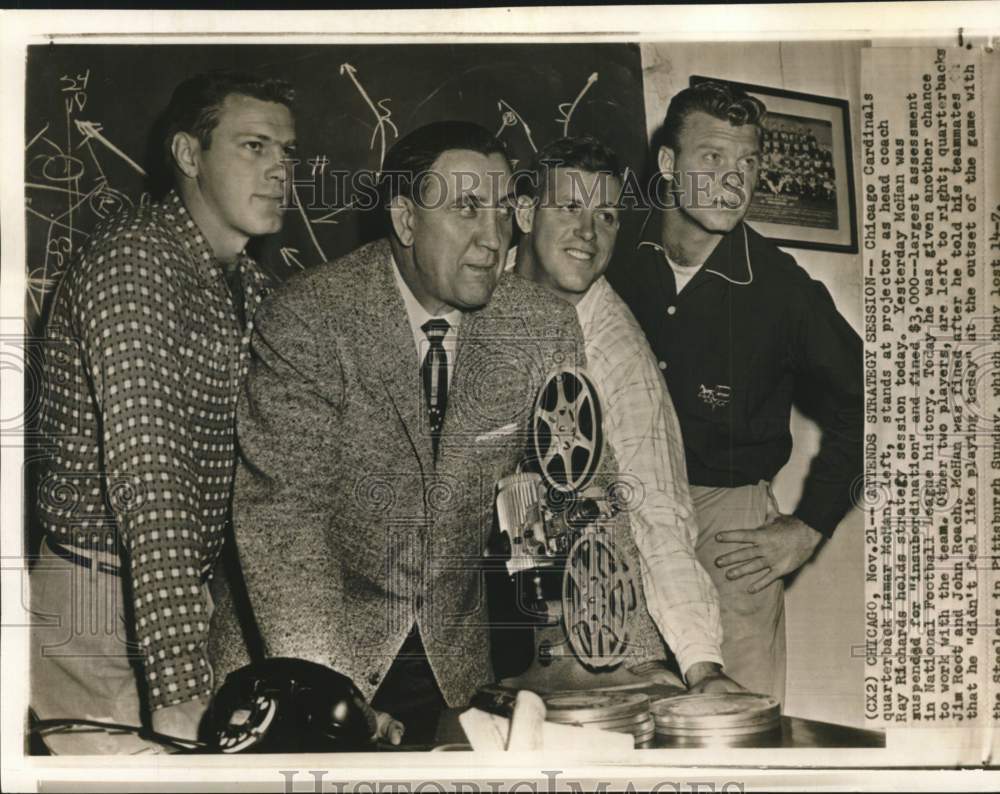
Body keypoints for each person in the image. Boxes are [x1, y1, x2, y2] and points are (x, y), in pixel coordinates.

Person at [209, 121, 585, 745]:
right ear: (406, 221)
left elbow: (572, 493)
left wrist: (603, 657)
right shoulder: (310, 316)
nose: (493, 238)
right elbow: (286, 523)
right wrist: (332, 700)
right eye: (466, 208)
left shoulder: (542, 327)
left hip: (455, 667)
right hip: (305, 655)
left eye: (502, 210)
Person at [30, 71, 296, 752]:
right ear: (188, 154)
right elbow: (152, 483)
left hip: (179, 597)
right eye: (254, 147)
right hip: (98, 603)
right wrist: (181, 686)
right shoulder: (134, 265)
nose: (279, 172)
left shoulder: (249, 287)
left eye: (287, 153)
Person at [610, 81, 863, 702]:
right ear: (668, 164)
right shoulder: (611, 252)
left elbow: (880, 402)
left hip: (728, 526)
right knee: (621, 712)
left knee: (736, 722)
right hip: (616, 508)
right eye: (713, 158)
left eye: (747, 162)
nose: (733, 180)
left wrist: (810, 526)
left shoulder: (783, 290)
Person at [511, 136, 741, 694]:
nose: (588, 233)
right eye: (570, 207)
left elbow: (658, 509)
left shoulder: (617, 350)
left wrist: (702, 665)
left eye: (607, 215)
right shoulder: (477, 290)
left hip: (595, 636)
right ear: (523, 211)